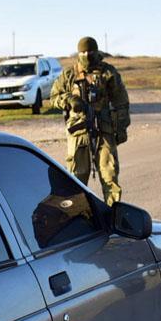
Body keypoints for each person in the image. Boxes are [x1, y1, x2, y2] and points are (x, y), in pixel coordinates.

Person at [49, 37, 130, 204]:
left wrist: (121, 127)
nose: (86, 55)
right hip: (78, 132)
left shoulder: (108, 72)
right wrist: (69, 100)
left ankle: (112, 214)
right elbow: (54, 97)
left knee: (109, 174)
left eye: (90, 52)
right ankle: (77, 216)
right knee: (76, 177)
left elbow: (121, 102)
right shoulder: (69, 74)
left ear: (96, 52)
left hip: (104, 129)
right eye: (83, 52)